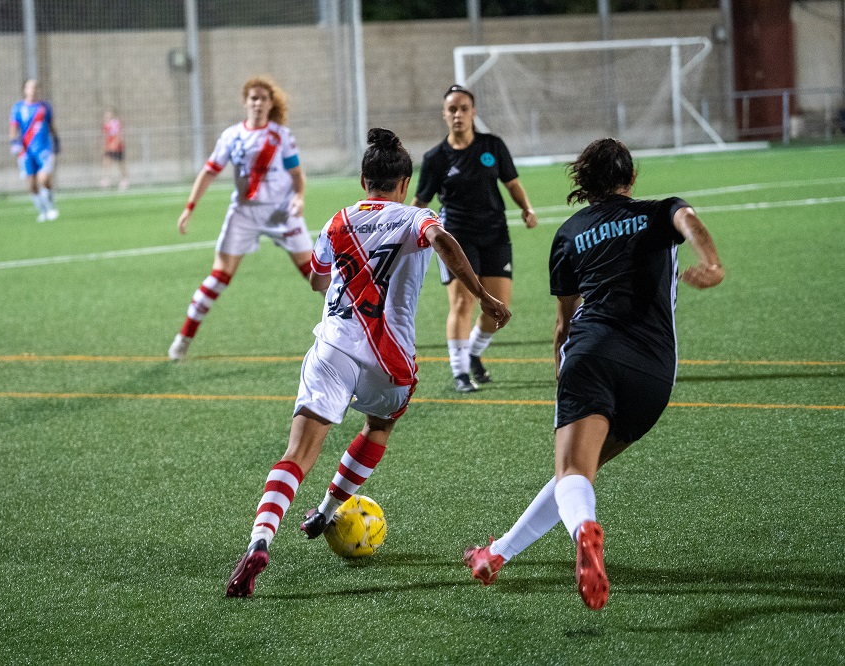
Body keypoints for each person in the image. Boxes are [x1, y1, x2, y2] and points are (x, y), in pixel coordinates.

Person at [225, 128, 511, 599]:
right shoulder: (417, 217)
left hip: (333, 350)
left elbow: (317, 282)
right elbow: (441, 239)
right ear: (404, 182)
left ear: (363, 180)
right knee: (378, 426)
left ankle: (259, 541)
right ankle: (326, 508)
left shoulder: (337, 222)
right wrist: (482, 296)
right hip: (389, 362)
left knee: (297, 454)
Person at [462, 137, 724, 610]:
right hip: (654, 374)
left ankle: (584, 530)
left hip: (592, 355)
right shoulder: (659, 210)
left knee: (572, 473)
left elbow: (564, 323)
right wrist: (712, 263)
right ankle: (495, 555)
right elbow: (689, 221)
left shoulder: (569, 234)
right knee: (578, 474)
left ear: (584, 184)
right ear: (632, 178)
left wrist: (564, 375)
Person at [168, 77, 313, 362]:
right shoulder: (231, 135)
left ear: (271, 104)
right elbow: (210, 171)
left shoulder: (281, 135)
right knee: (219, 276)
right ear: (245, 102)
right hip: (244, 212)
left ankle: (359, 330)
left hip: (280, 211)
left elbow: (297, 175)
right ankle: (183, 339)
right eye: (253, 98)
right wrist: (190, 207)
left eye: (263, 99)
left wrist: (299, 197)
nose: (258, 103)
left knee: (315, 275)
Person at [413, 84, 538, 393]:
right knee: (462, 301)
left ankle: (472, 354)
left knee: (497, 310)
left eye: (464, 108)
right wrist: (400, 227)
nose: (458, 114)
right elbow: (420, 202)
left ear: (473, 112)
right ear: (444, 114)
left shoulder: (492, 146)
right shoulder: (435, 158)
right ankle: (460, 373)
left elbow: (511, 182)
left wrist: (526, 208)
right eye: (452, 109)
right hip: (455, 237)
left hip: (495, 234)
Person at [9, 78, 60, 222]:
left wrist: (56, 139)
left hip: (44, 148)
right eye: (29, 88)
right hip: (26, 151)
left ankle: (50, 205)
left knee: (43, 178)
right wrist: (14, 141)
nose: (32, 90)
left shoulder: (44, 107)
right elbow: (13, 128)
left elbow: (51, 125)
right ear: (25, 90)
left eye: (35, 88)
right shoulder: (18, 108)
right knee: (31, 183)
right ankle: (42, 210)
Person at [100, 108, 128, 191]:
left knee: (120, 163)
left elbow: (119, 135)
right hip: (109, 147)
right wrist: (105, 145)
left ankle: (124, 179)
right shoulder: (105, 125)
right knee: (106, 161)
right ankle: (106, 179)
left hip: (117, 147)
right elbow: (105, 136)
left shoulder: (116, 123)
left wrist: (115, 144)